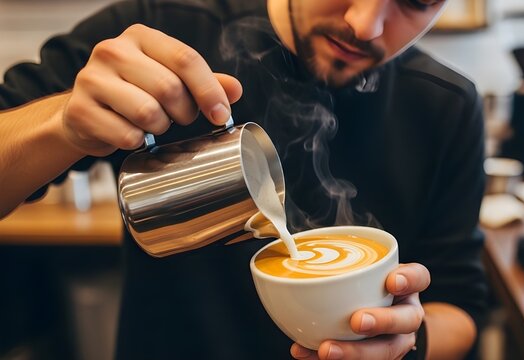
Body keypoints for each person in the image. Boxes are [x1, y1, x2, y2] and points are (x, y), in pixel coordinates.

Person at [0, 0, 488, 359]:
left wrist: (407, 340)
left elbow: (462, 305)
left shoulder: (447, 104)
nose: (365, 23)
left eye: (416, 1)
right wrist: (62, 123)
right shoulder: (161, 28)